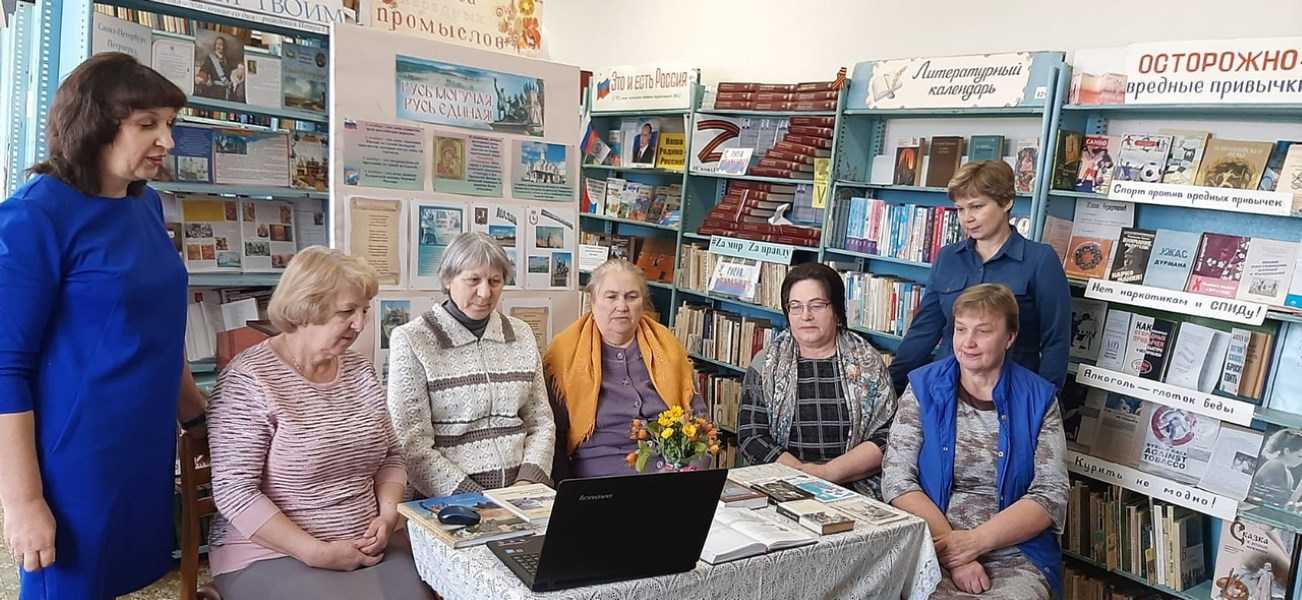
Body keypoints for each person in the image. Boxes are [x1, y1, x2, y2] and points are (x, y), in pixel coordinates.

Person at [0, 53, 206, 599]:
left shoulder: (146, 205)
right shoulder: (35, 215)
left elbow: (158, 326)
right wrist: (22, 502)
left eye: (169, 124)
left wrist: (195, 414)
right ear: (94, 124)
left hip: (143, 445)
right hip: (76, 458)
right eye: (147, 124)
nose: (167, 140)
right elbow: (5, 369)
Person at [207, 247, 432, 599]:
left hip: (368, 544)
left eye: (364, 310)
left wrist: (388, 516)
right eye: (347, 311)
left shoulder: (359, 370)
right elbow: (234, 492)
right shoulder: (249, 379)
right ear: (305, 307)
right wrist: (314, 552)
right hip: (270, 553)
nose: (360, 324)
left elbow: (391, 457)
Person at [883, 284, 1069, 599]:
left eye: (982, 331)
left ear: (1009, 337)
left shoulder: (1039, 399)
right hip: (931, 541)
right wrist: (957, 555)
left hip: (1015, 550)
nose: (968, 342)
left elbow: (1050, 494)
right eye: (961, 329)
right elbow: (897, 479)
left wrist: (975, 543)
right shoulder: (923, 387)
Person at [387, 232, 555, 497]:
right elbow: (411, 444)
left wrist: (527, 484)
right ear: (448, 279)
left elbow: (541, 422)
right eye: (473, 280)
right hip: (450, 501)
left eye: (495, 281)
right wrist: (474, 499)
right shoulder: (412, 339)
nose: (485, 293)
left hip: (522, 493)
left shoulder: (521, 333)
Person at [889, 160, 1071, 395]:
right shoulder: (948, 257)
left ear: (1006, 202)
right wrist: (891, 387)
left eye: (976, 206)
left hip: (1013, 393)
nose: (967, 218)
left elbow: (1056, 340)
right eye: (960, 209)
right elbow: (924, 331)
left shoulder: (1040, 260)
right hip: (947, 389)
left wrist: (1044, 401)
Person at [738, 262, 897, 498]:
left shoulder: (868, 363)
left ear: (836, 311)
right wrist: (801, 475)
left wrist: (828, 473)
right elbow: (751, 435)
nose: (806, 316)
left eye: (817, 305)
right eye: (796, 306)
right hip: (781, 480)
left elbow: (888, 436)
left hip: (854, 485)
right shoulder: (766, 363)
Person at [543, 259, 702, 480]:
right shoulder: (564, 354)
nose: (622, 306)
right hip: (601, 481)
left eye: (631, 297)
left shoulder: (668, 346)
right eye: (611, 297)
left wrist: (692, 472)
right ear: (593, 301)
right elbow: (554, 439)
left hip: (673, 478)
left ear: (643, 303)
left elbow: (699, 420)